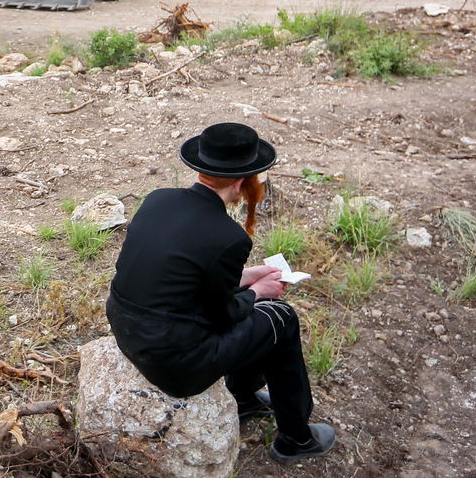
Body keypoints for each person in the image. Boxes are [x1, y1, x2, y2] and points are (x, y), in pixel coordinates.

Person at [107, 123, 336, 464]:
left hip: (129, 333)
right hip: (176, 365)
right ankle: (296, 439)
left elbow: (188, 280)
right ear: (242, 182)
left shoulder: (158, 199)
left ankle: (243, 399)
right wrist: (258, 292)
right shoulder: (229, 236)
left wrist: (248, 277)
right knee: (280, 317)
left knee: (259, 315)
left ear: (201, 167)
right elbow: (224, 316)